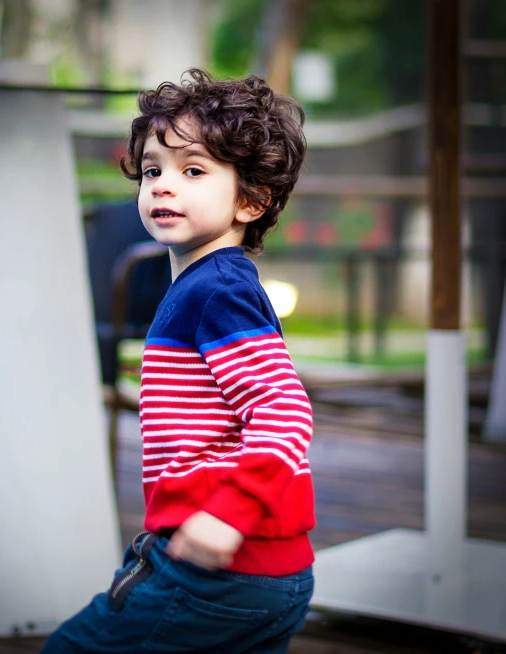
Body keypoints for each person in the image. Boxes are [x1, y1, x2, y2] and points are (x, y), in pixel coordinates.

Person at [41, 68, 315, 654]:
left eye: (193, 171)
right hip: (268, 571)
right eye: (152, 170)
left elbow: (285, 411)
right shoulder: (211, 285)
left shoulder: (215, 290)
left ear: (251, 199)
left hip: (216, 567)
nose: (163, 186)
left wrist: (229, 513)